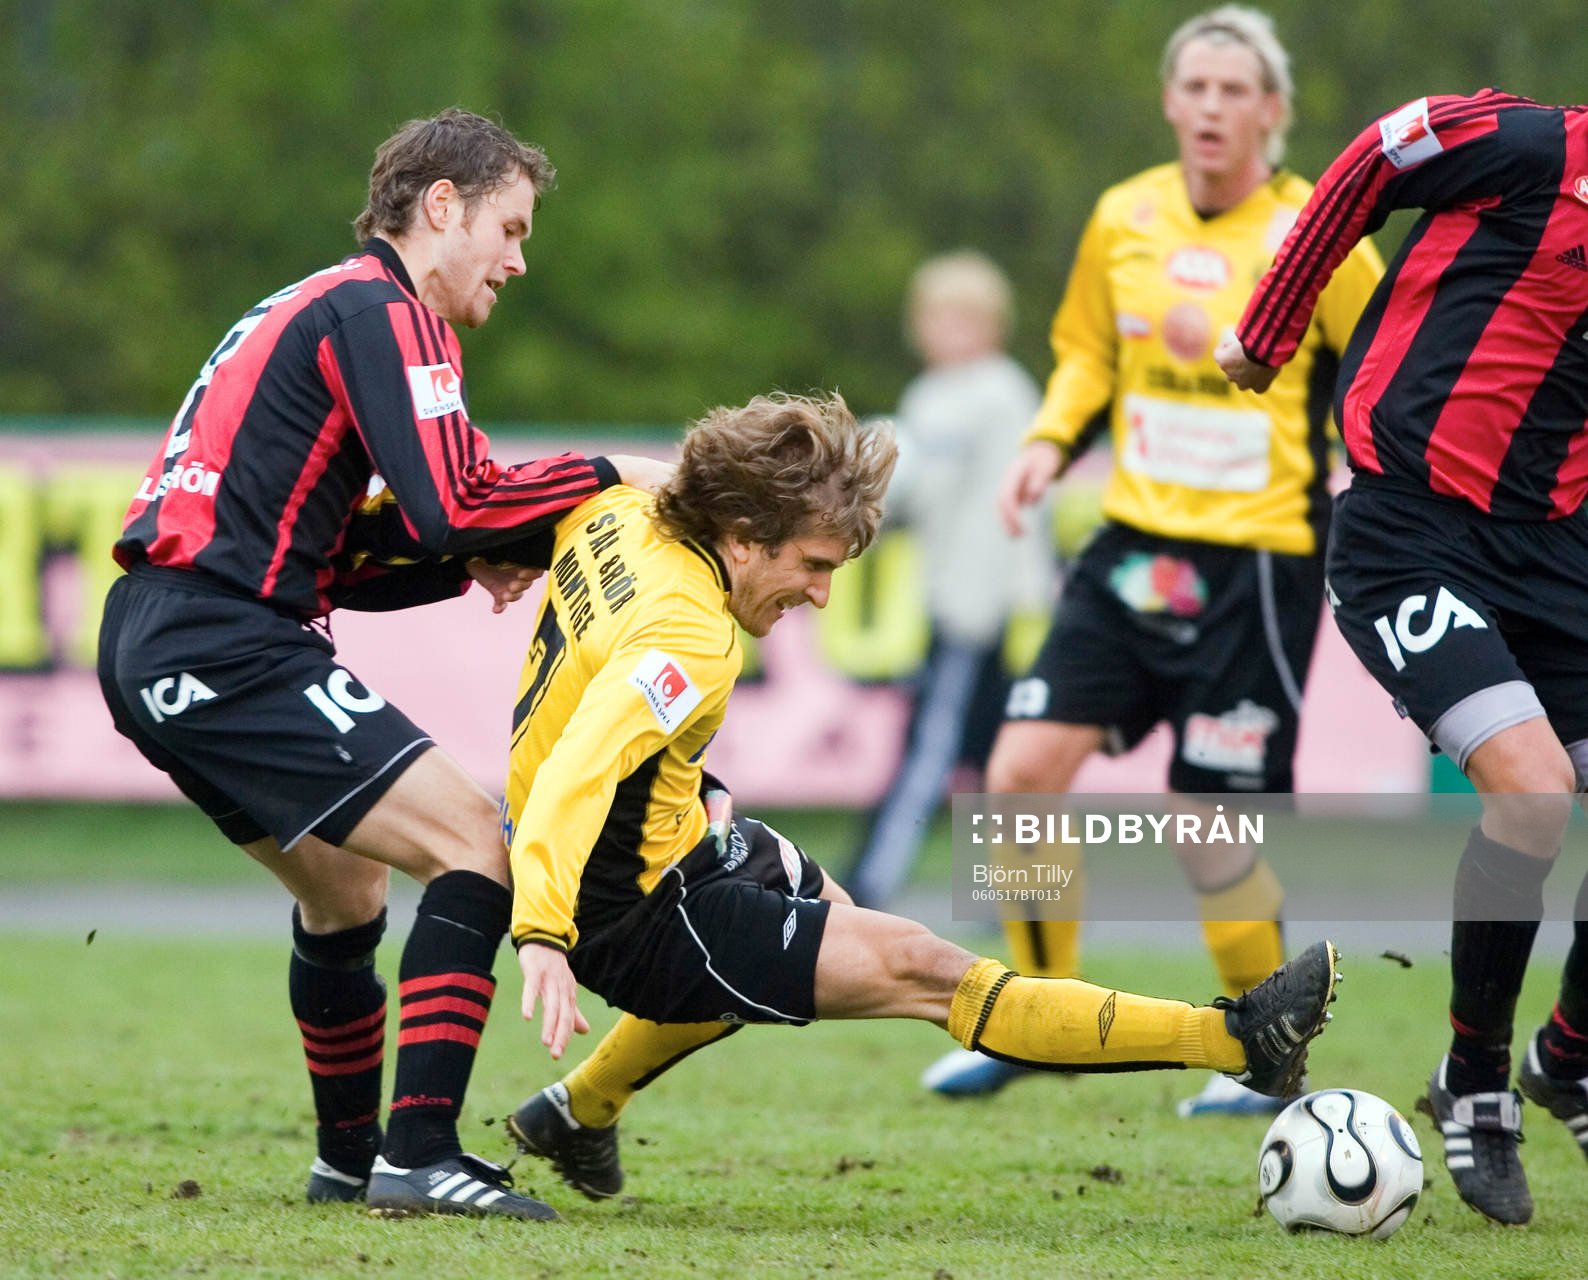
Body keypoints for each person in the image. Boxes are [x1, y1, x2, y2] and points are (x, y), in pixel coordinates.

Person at [496, 390, 1340, 1206]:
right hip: (634, 913)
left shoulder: (623, 512)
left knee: (833, 913)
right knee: (924, 968)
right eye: (815, 566)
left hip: (672, 846)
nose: (821, 595)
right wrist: (541, 931)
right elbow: (581, 770)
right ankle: (1236, 1042)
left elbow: (585, 664)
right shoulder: (693, 631)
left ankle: (580, 1109)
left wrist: (478, 550)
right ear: (745, 536)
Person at [97, 108, 670, 1222]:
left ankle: (350, 1160)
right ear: (439, 206)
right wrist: (615, 470)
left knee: (349, 888)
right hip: (223, 636)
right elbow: (453, 496)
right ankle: (420, 1152)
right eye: (509, 226)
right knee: (475, 839)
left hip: (161, 633)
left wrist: (470, 557)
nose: (518, 258)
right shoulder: (387, 309)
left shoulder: (323, 300)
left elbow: (344, 553)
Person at [920, 5, 1384, 1115]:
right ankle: (1031, 1020)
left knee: (1208, 819)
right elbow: (1084, 354)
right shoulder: (1121, 216)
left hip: (1259, 569)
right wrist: (1045, 444)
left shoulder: (1318, 237)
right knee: (1021, 771)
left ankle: (1268, 1055)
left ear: (1273, 111)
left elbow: (1380, 378)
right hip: (1131, 549)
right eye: (1197, 88)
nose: (1214, 107)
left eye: (1237, 91)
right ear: (1172, 101)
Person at [1218, 87, 1588, 1227]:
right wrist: (1268, 329)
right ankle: (1473, 1082)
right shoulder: (1534, 144)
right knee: (1532, 793)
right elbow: (1377, 151)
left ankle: (1565, 1058)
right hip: (1409, 530)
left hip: (1561, 549)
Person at [844, 251, 1050, 910]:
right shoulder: (945, 395)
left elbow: (927, 489)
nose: (945, 331)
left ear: (993, 324)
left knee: (934, 746)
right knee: (998, 756)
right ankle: (1023, 895)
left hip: (979, 606)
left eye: (963, 317)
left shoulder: (989, 394)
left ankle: (869, 881)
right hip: (977, 602)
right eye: (936, 317)